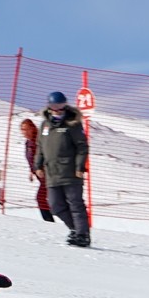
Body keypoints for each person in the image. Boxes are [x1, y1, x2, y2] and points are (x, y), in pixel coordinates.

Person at [33, 91, 91, 247]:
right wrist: (38, 165)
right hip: (52, 172)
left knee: (75, 204)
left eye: (60, 106)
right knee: (55, 205)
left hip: (71, 172)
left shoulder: (72, 123)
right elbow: (40, 147)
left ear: (65, 106)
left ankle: (82, 234)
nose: (57, 110)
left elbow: (82, 147)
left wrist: (80, 166)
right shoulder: (45, 125)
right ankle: (75, 229)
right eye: (53, 106)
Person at [20, 118, 54, 222]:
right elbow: (31, 159)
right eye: (22, 130)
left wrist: (41, 168)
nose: (24, 132)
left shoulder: (38, 141)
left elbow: (44, 155)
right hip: (41, 176)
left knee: (42, 198)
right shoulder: (28, 142)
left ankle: (50, 221)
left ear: (32, 128)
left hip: (48, 175)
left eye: (26, 129)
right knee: (46, 199)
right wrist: (31, 171)